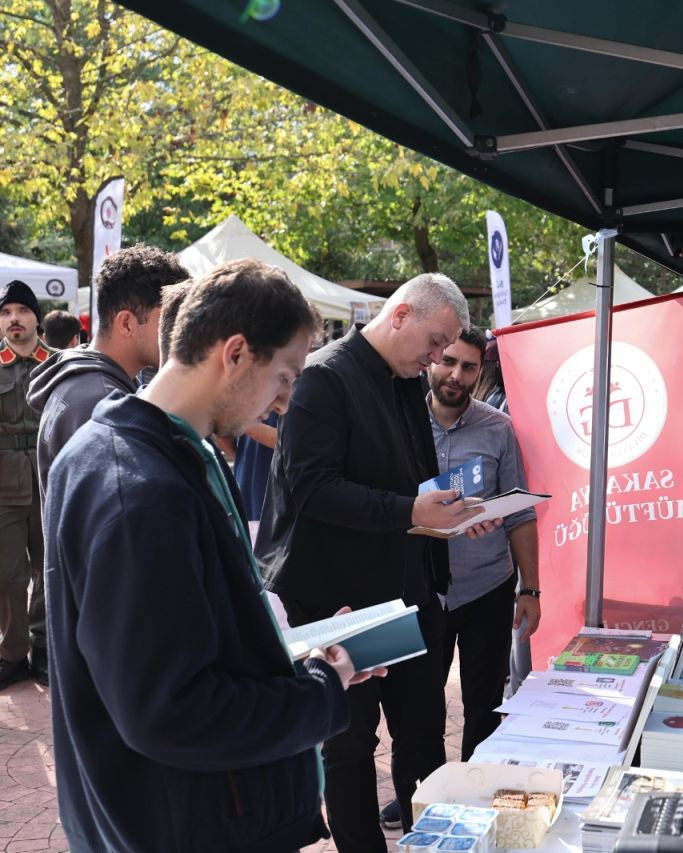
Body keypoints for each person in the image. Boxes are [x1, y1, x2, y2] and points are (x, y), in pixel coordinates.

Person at [43, 258, 378, 852]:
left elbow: (171, 648)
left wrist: (287, 651)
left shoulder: (129, 454)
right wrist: (325, 686)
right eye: (284, 375)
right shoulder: (143, 493)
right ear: (236, 353)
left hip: (163, 814)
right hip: (182, 824)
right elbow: (174, 712)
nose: (283, 401)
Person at [255, 272, 497, 852]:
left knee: (422, 736)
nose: (439, 359)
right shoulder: (323, 378)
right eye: (436, 342)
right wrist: (410, 509)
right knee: (348, 746)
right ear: (402, 314)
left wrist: (455, 512)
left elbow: (410, 480)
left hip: (406, 590)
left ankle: (434, 842)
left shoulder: (403, 381)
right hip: (337, 600)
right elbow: (311, 489)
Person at [378, 328, 542, 830]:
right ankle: (425, 811)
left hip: (486, 588)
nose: (456, 375)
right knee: (417, 714)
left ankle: (474, 809)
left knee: (486, 708)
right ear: (432, 360)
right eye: (448, 362)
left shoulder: (497, 428)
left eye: (469, 367)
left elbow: (519, 515)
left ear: (480, 372)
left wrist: (530, 589)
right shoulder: (398, 422)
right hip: (420, 591)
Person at [28, 244, 189, 493]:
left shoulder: (85, 380)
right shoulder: (100, 400)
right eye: (168, 318)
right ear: (126, 323)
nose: (177, 330)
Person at [0, 280, 50, 690]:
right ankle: (13, 654)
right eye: (6, 312)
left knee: (49, 570)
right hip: (4, 486)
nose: (14, 319)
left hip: (50, 478)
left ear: (36, 317)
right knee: (8, 576)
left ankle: (46, 649)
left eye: (21, 311)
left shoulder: (57, 362)